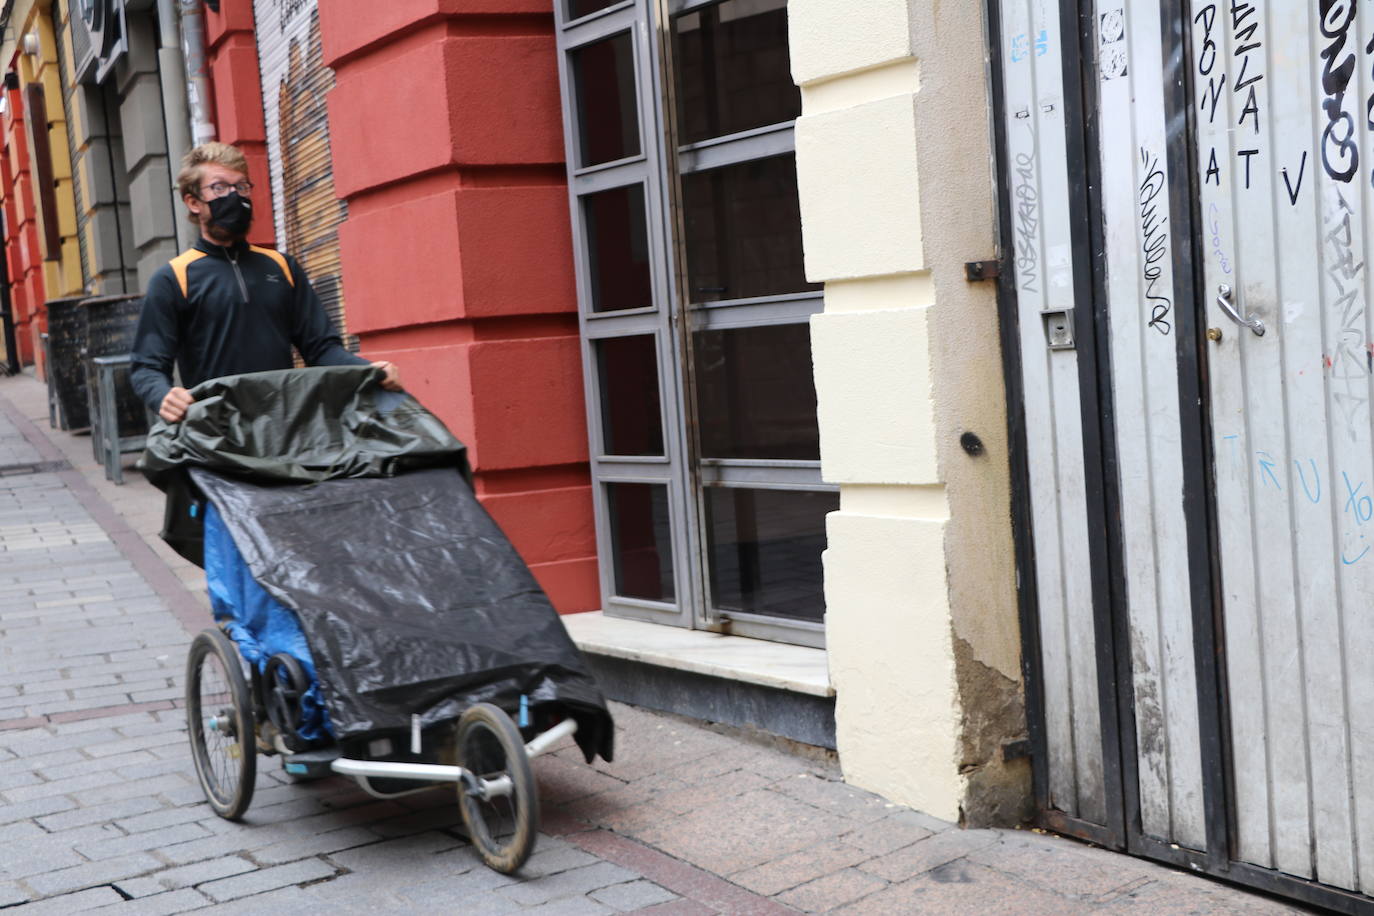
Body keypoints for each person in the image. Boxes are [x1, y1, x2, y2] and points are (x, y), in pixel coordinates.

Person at [131, 142, 399, 422]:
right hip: (215, 435)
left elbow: (320, 349)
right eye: (219, 188)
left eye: (241, 187)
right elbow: (147, 366)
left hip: (285, 429)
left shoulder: (282, 267)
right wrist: (163, 395)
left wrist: (369, 370)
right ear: (193, 202)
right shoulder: (174, 278)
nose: (234, 197)